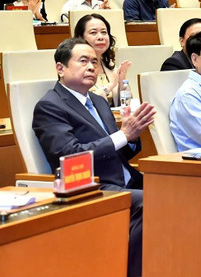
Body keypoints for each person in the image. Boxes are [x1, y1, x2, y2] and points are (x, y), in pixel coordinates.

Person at [33, 38, 154, 277]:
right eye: (83, 61)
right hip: (92, 186)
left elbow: (121, 151)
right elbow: (68, 156)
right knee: (152, 202)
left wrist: (131, 136)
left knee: (186, 189)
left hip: (128, 180)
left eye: (95, 62)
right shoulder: (50, 106)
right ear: (61, 68)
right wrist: (123, 134)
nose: (91, 67)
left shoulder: (98, 101)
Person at [73, 14, 132, 105]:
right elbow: (83, 102)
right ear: (81, 38)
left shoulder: (110, 65)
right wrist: (110, 86)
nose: (101, 37)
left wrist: (122, 83)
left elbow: (127, 104)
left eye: (104, 32)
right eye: (93, 33)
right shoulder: (76, 67)